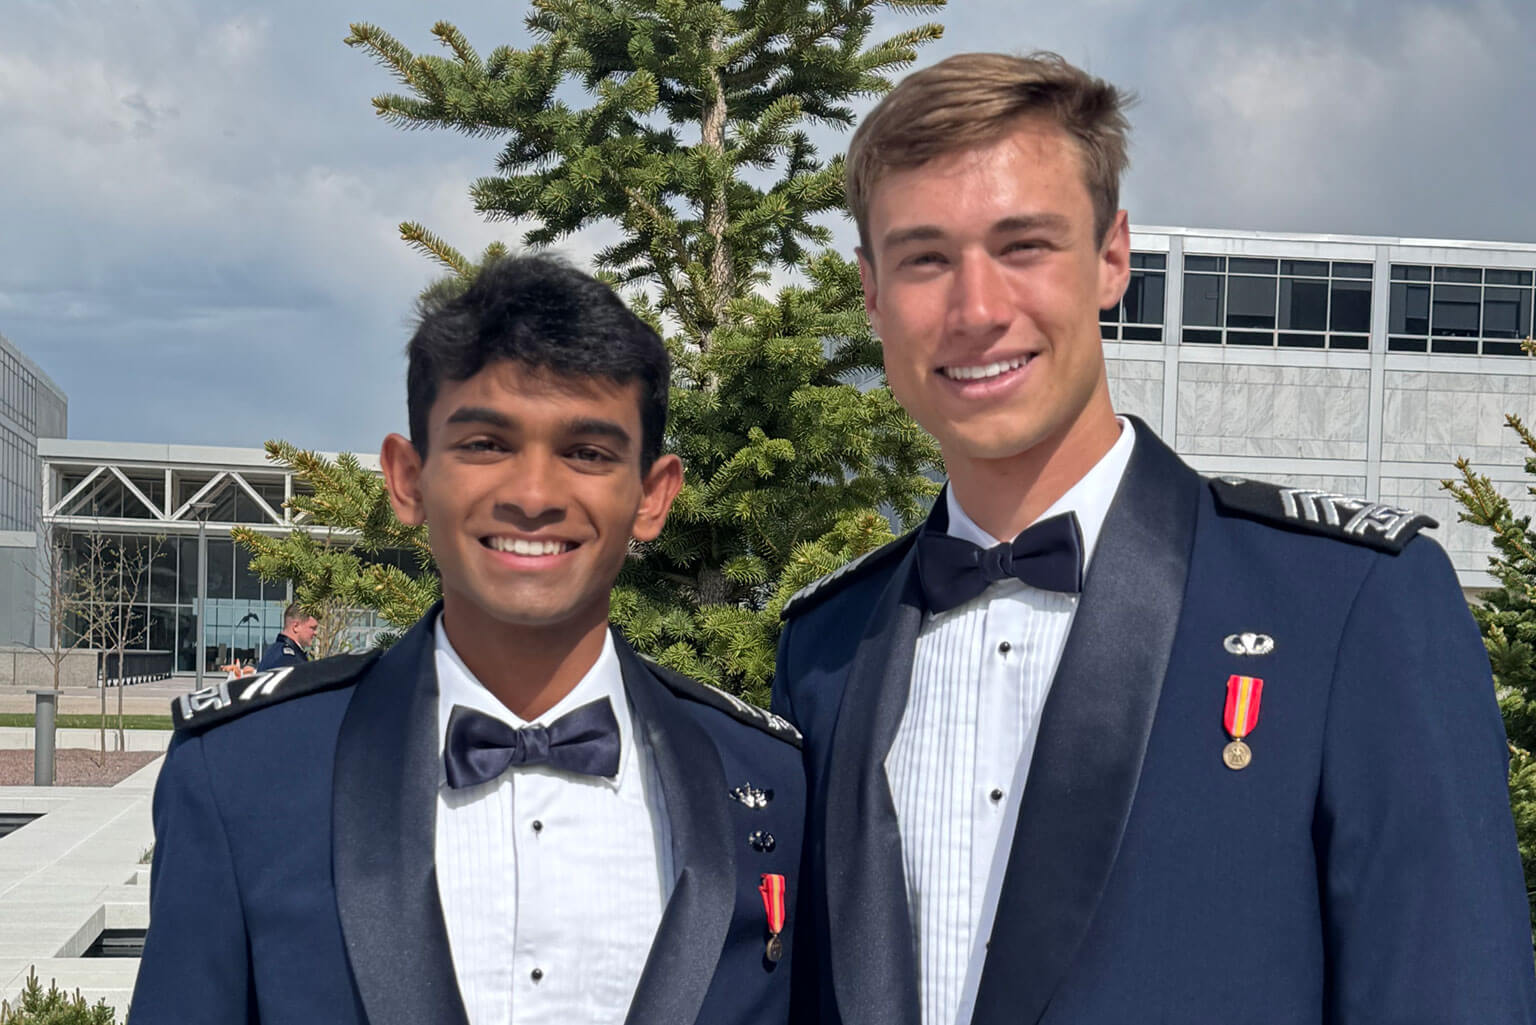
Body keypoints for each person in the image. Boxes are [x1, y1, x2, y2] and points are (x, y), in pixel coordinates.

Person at [772, 51, 1535, 1025]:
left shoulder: (1348, 603)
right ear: (873, 294)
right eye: (925, 257)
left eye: (1024, 246)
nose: (976, 309)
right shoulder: (825, 649)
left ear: (1111, 258)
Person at [131, 256, 805, 1025]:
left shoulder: (768, 778)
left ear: (652, 496)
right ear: (409, 479)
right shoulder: (242, 774)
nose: (533, 495)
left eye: (587, 451)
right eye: (486, 442)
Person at [255, 602, 317, 670]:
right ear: (296, 627)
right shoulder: (287, 659)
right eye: (312, 628)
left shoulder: (274, 652)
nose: (315, 633)